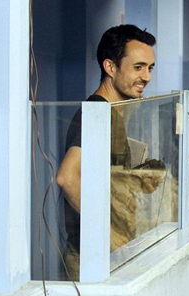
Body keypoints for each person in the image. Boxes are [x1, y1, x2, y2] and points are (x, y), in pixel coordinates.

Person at [56, 24, 156, 281]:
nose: (146, 77)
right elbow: (66, 177)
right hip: (88, 257)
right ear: (110, 67)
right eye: (138, 67)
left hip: (107, 254)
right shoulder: (96, 113)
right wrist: (108, 232)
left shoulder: (114, 113)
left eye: (150, 68)